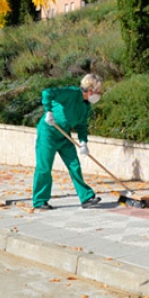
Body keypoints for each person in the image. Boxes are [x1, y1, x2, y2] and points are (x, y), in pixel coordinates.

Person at [32, 74, 104, 210]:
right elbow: (47, 93)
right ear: (89, 90)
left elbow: (82, 125)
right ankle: (40, 200)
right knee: (44, 167)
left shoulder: (86, 106)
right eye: (98, 92)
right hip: (48, 132)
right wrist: (48, 112)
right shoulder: (70, 93)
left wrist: (83, 142)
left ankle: (86, 197)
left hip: (64, 135)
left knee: (74, 165)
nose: (99, 95)